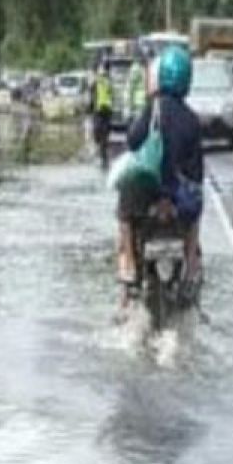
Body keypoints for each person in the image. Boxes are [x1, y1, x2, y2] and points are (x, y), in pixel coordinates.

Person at [116, 45, 204, 311]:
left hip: (149, 196)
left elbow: (132, 142)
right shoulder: (191, 119)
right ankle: (190, 264)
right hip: (179, 200)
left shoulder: (152, 109)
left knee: (123, 212)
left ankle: (130, 263)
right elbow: (196, 172)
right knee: (196, 214)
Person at [89, 60, 115, 168]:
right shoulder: (98, 80)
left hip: (105, 110)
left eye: (103, 69)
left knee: (104, 136)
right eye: (101, 69)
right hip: (99, 109)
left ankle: (104, 157)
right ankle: (102, 154)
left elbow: (111, 94)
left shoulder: (107, 80)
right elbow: (91, 90)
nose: (102, 71)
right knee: (98, 133)